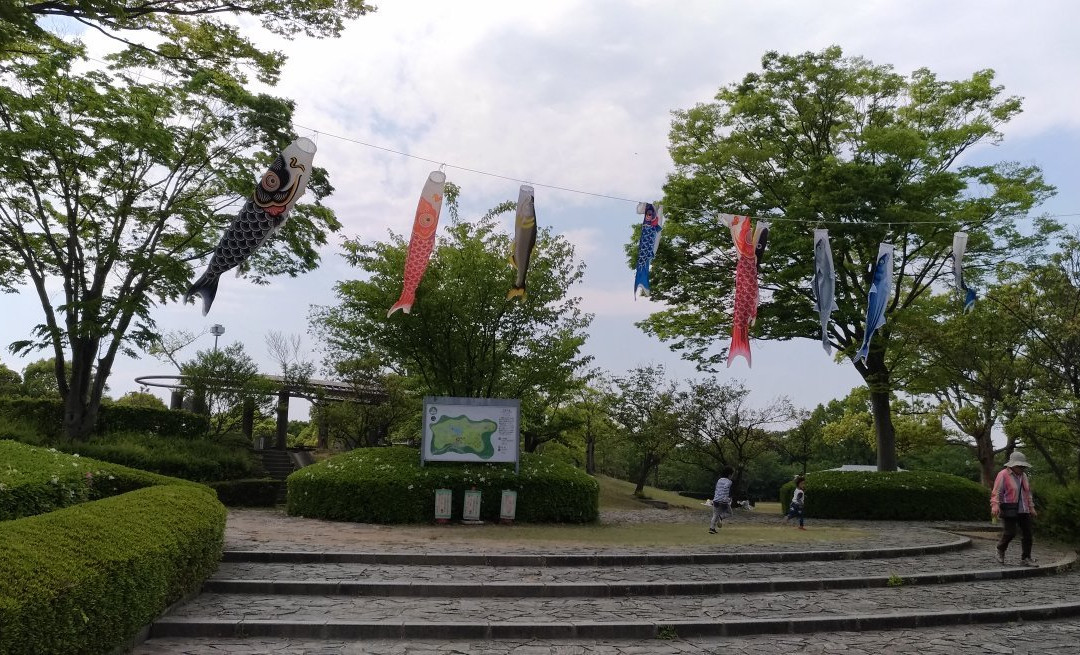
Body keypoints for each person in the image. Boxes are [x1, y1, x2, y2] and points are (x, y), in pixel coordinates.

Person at [991, 451, 1038, 566]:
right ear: (1012, 465)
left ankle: (1026, 558)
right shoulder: (1003, 474)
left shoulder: (1024, 476)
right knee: (1010, 533)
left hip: (1024, 509)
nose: (1022, 468)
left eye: (1023, 466)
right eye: (1019, 466)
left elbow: (1028, 493)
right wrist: (995, 505)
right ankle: (1000, 549)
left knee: (1028, 534)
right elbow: (997, 492)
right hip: (1009, 508)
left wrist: (1031, 507)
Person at [708, 466, 734, 533]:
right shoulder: (729, 481)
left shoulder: (719, 480)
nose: (732, 476)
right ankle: (720, 517)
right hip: (723, 501)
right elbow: (725, 488)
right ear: (729, 475)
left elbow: (717, 489)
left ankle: (712, 529)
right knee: (730, 513)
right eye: (732, 475)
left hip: (716, 500)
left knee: (714, 514)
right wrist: (727, 498)